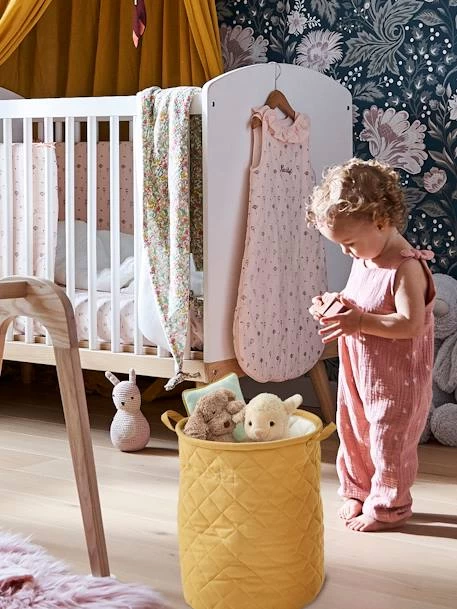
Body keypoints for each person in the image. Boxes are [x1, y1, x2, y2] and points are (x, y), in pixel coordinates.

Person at [307, 158, 435, 532]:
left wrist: (359, 321)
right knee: (354, 432)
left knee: (387, 442)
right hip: (359, 373)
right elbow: (360, 301)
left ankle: (388, 507)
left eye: (349, 244)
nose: (346, 253)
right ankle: (358, 490)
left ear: (380, 220)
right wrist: (334, 305)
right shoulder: (366, 257)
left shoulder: (405, 268)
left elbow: (410, 324)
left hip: (397, 381)